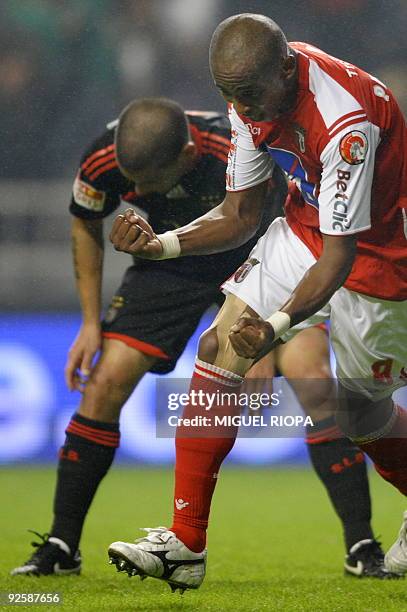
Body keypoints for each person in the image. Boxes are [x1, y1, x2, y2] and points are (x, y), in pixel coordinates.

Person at [11, 98, 388, 579]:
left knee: (313, 380)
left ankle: (362, 546)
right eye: (135, 185)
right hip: (171, 264)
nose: (140, 192)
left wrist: (262, 344)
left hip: (256, 256)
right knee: (105, 382)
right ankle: (62, 545)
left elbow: (278, 230)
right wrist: (89, 322)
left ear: (189, 156)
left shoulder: (237, 148)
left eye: (151, 185)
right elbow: (85, 224)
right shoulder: (105, 157)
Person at [107, 14, 407, 592]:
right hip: (305, 230)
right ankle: (186, 543)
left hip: (379, 255)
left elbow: (341, 258)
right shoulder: (254, 91)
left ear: (286, 71)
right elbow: (240, 213)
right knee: (219, 345)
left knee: (362, 413)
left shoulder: (344, 123)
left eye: (248, 95)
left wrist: (276, 326)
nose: (240, 109)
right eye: (228, 96)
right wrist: (162, 245)